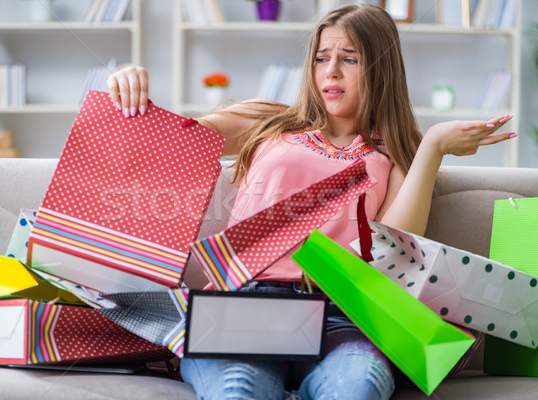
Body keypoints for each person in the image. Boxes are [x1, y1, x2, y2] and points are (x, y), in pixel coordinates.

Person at [107, 5, 516, 399]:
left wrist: (432, 148)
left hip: (343, 316)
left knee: (359, 386)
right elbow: (175, 139)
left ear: (381, 68)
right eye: (322, 58)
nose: (331, 71)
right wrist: (129, 93)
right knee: (240, 391)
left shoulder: (391, 157)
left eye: (350, 59)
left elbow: (395, 251)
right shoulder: (269, 121)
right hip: (243, 306)